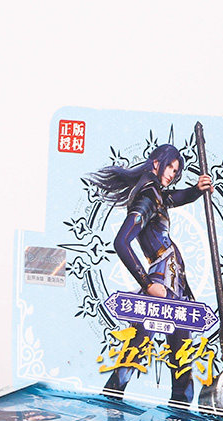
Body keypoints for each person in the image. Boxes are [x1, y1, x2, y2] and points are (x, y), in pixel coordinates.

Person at [88, 143, 213, 405]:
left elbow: (176, 197)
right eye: (170, 167)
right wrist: (146, 284)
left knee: (179, 357)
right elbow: (121, 242)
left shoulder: (155, 193)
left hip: (174, 285)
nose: (172, 174)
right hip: (162, 285)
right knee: (145, 350)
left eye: (176, 171)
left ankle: (177, 415)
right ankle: (110, 403)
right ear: (156, 163)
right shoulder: (148, 195)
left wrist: (196, 190)